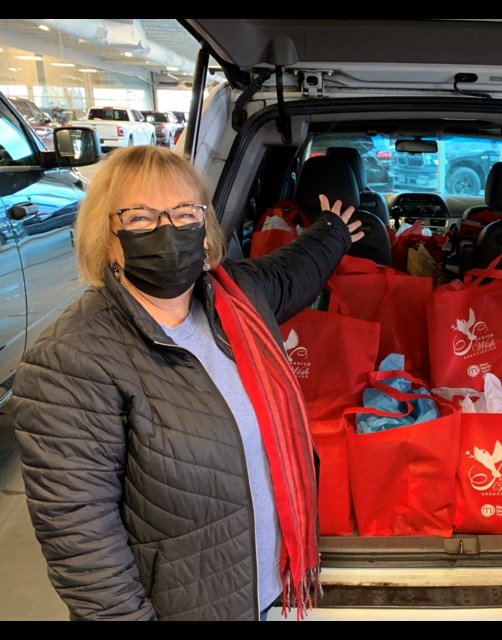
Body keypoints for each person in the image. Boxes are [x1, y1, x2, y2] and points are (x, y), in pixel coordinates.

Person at [10, 144, 364, 621]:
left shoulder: (236, 298)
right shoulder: (70, 359)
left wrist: (333, 231)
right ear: (105, 234)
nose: (167, 231)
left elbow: (293, 271)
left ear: (204, 228)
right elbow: (82, 544)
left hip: (266, 590)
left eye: (183, 213)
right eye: (139, 218)